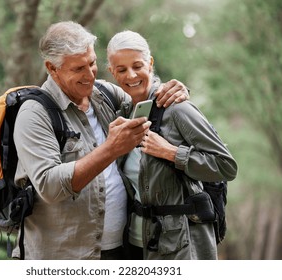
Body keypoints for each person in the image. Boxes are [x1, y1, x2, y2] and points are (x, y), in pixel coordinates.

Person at [11, 21, 189, 260]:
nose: (90, 75)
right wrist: (111, 149)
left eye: (92, 63)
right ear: (52, 69)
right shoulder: (35, 114)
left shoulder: (103, 94)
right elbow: (50, 186)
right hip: (62, 258)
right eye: (78, 69)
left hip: (118, 251)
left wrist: (175, 90)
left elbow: (145, 94)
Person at [106, 30, 238, 260]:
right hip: (137, 244)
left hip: (182, 247)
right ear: (111, 72)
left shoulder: (177, 108)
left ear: (151, 63)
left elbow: (226, 166)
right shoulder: (119, 113)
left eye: (138, 66)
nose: (131, 75)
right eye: (121, 69)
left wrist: (172, 153)